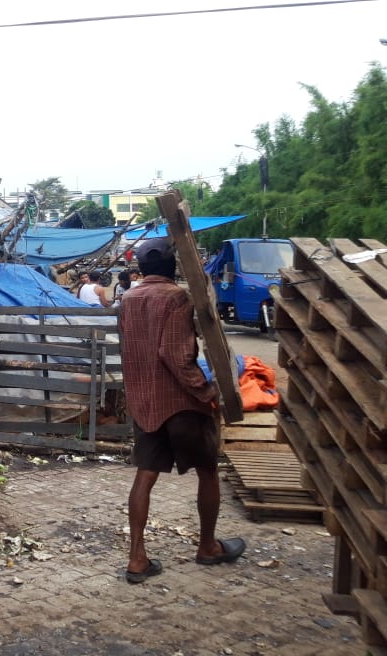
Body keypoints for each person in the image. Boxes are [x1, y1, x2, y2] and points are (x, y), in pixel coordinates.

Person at [118, 237, 245, 584]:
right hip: (181, 404)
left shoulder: (128, 299)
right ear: (172, 267)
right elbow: (173, 354)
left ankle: (137, 559)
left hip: (145, 403)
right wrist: (205, 391)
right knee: (207, 471)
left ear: (142, 268)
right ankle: (208, 547)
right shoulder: (177, 298)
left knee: (145, 475)